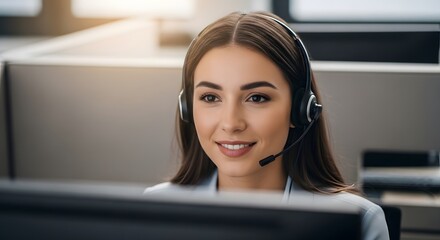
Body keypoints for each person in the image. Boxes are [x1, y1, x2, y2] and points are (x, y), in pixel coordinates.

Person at [145, 11, 389, 240]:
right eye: (210, 97)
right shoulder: (153, 211)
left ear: (300, 110)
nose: (231, 123)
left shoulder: (357, 223)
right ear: (187, 107)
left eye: (256, 98)